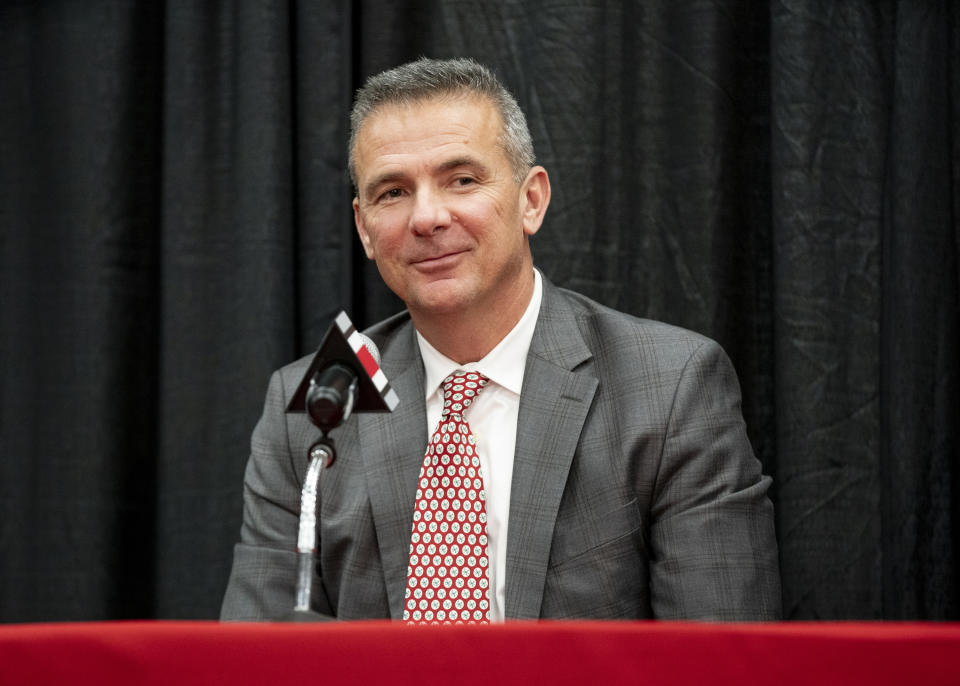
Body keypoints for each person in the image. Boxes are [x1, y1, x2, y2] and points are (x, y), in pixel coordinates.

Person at [220, 57, 781, 622]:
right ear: (365, 229)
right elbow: (254, 659)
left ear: (530, 200)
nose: (427, 217)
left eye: (461, 180)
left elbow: (722, 660)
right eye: (392, 192)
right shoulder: (314, 405)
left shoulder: (671, 387)